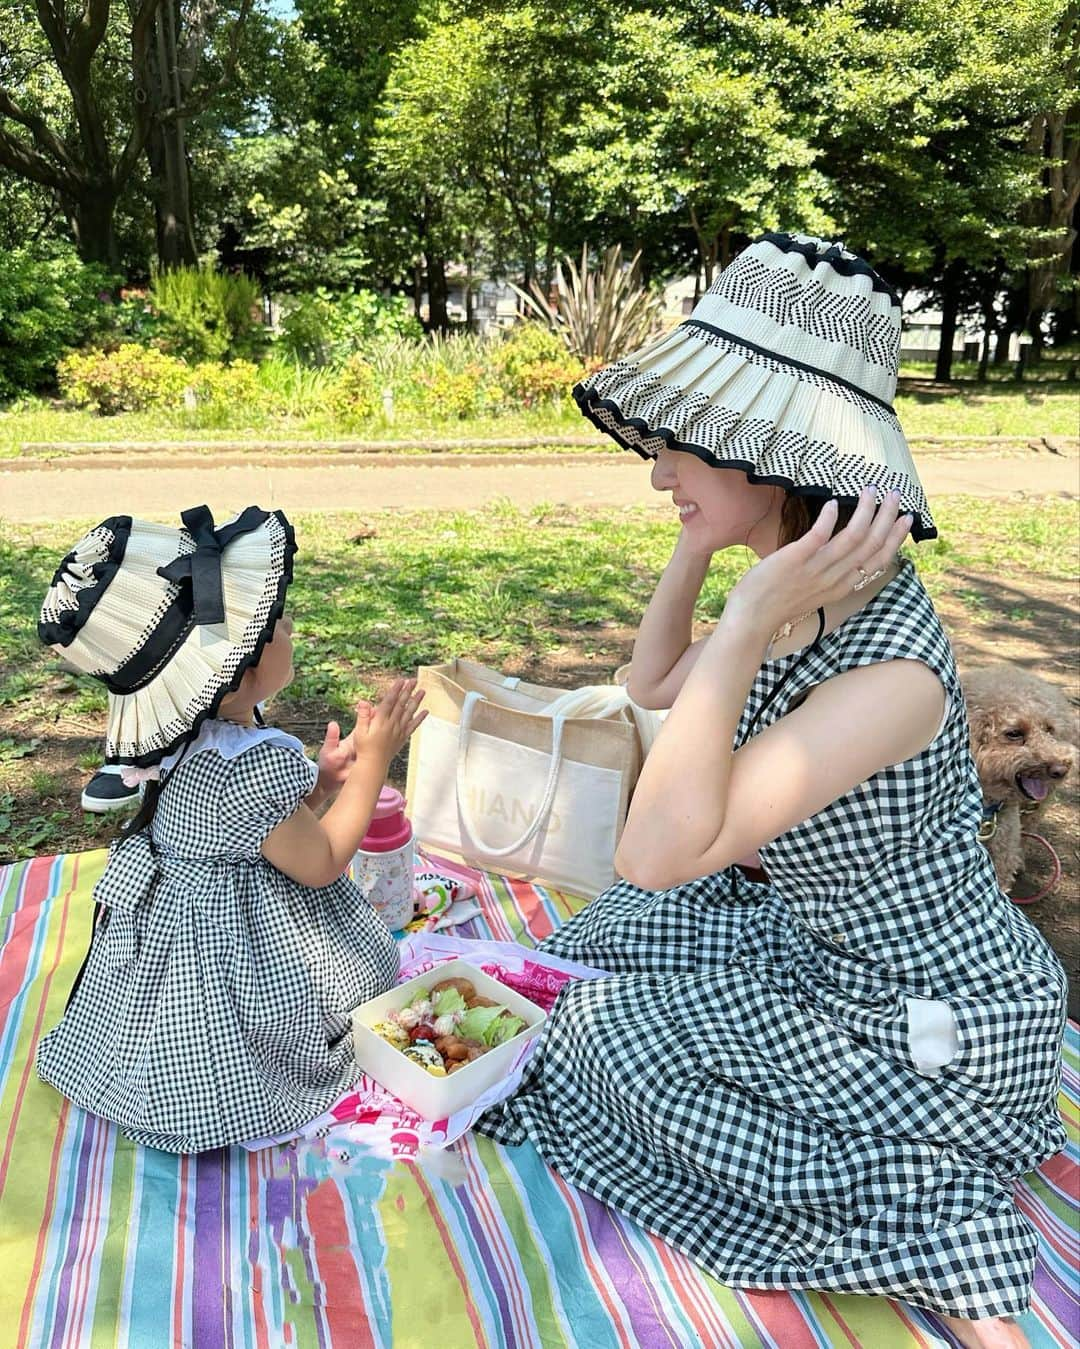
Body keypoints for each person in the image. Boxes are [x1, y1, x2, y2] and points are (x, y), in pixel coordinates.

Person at [477, 234, 1066, 1349]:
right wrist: (710, 557)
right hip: (824, 948)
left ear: (774, 454)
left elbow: (657, 843)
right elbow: (649, 682)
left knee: (607, 1031)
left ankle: (937, 1216)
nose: (659, 472)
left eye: (683, 450)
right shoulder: (812, 592)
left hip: (930, 1018)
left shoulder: (885, 669)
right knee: (617, 934)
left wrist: (746, 618)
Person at [35, 505, 426, 1152]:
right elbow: (322, 858)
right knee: (299, 1007)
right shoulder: (252, 764)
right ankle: (237, 1085)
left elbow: (242, 821)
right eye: (274, 623)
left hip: (169, 919)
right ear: (240, 666)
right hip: (234, 947)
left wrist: (324, 779)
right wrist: (376, 763)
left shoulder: (178, 739)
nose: (290, 625)